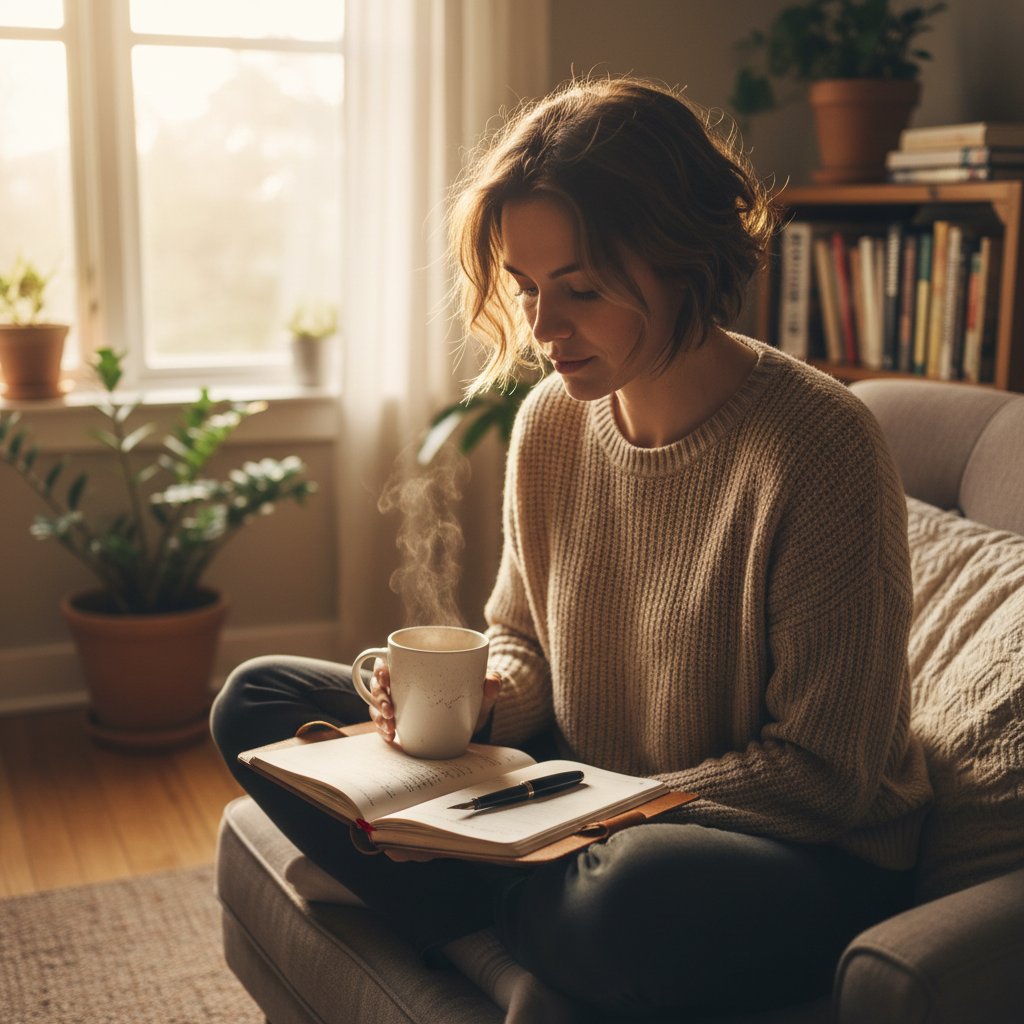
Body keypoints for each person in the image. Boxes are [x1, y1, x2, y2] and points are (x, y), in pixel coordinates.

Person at [211, 76, 932, 1019]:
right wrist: (482, 701)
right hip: (577, 801)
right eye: (526, 288)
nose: (544, 330)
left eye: (580, 290)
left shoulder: (818, 447)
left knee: (626, 893)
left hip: (777, 848)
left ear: (683, 258)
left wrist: (581, 807)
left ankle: (469, 908)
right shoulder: (553, 420)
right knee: (258, 701)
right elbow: (522, 639)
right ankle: (499, 944)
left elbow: (824, 776)